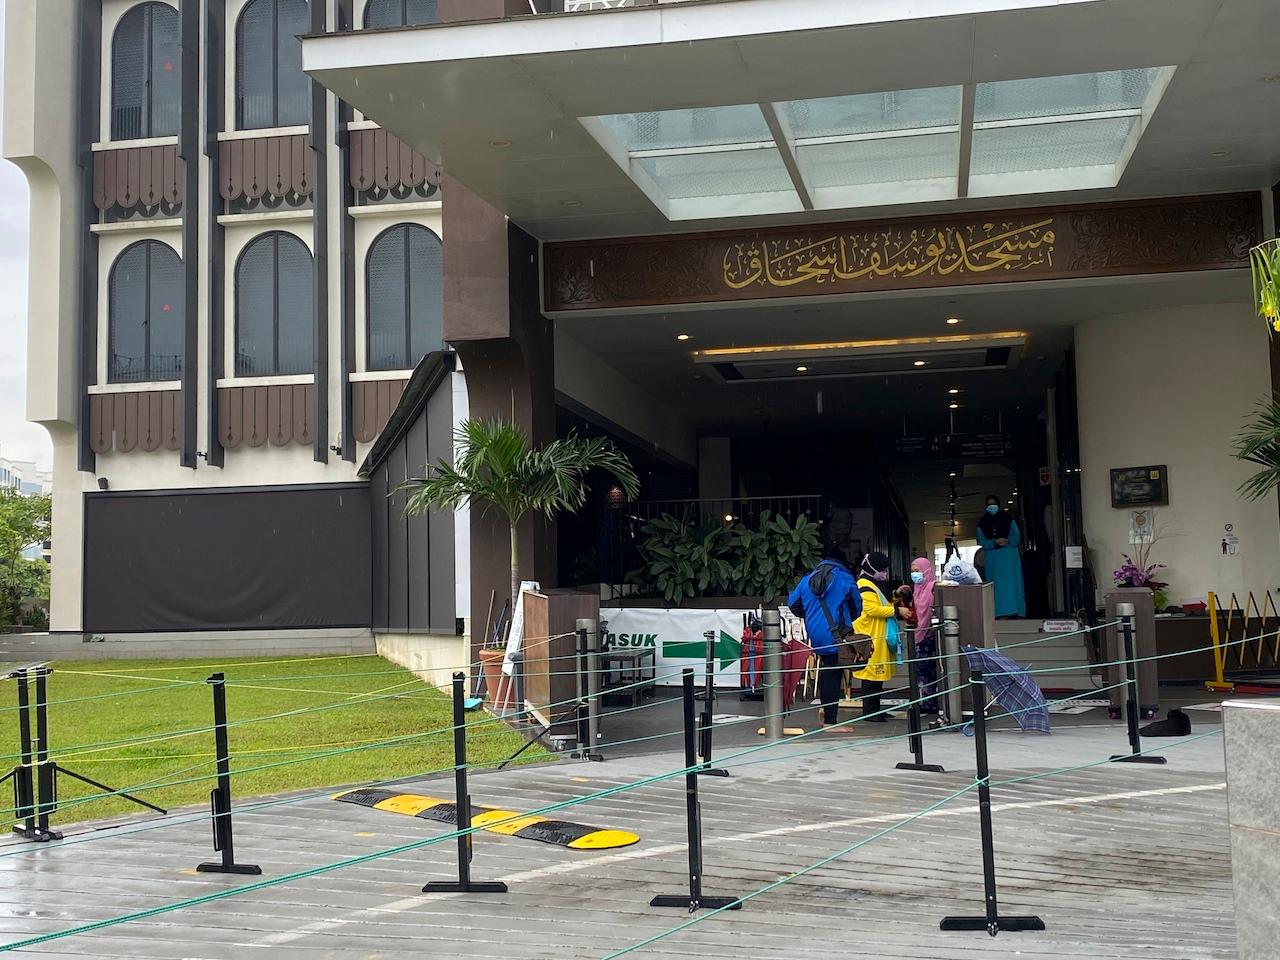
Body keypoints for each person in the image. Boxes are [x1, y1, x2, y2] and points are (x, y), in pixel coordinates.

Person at [787, 553, 862, 731]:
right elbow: (857, 606)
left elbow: (792, 604)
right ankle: (830, 721)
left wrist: (812, 617)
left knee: (828, 668)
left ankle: (824, 707)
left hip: (816, 633)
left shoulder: (806, 580)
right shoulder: (844, 578)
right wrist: (846, 621)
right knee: (833, 674)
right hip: (837, 633)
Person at [852, 552, 897, 722]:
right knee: (871, 673)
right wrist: (897, 612)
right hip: (870, 634)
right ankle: (869, 712)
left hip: (878, 633)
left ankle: (875, 709)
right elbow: (872, 609)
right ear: (872, 568)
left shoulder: (876, 583)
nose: (884, 573)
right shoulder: (865, 584)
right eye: (882, 570)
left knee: (877, 673)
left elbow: (883, 601)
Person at [976, 495, 1026, 618]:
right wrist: (994, 542)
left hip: (1009, 556)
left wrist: (1007, 541)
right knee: (995, 585)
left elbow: (1016, 536)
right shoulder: (982, 523)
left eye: (993, 504)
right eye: (989, 504)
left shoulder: (1008, 519)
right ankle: (997, 612)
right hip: (993, 557)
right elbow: (982, 540)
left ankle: (1015, 611)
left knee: (1012, 583)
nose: (991, 506)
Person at [909, 557, 940, 715]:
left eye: (918, 571)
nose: (915, 574)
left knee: (927, 670)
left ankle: (931, 702)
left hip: (928, 635)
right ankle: (927, 701)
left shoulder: (932, 587)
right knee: (921, 672)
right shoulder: (916, 589)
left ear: (926, 571)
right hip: (917, 634)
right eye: (913, 571)